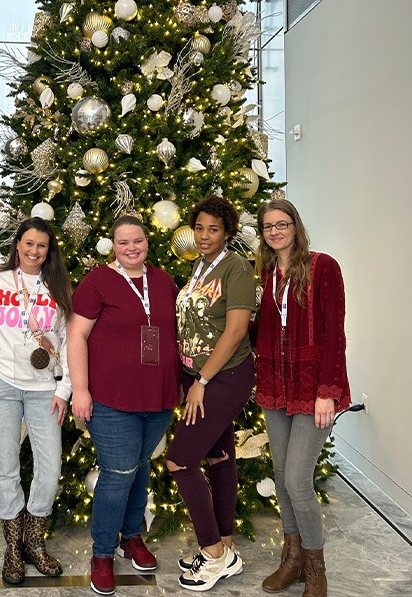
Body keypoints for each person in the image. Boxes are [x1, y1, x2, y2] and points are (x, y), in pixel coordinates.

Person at [68, 215, 180, 595]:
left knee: (141, 467)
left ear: (148, 241)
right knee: (117, 474)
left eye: (138, 241)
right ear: (113, 246)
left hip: (159, 396)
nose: (132, 248)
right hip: (112, 398)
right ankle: (102, 553)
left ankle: (131, 537)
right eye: (123, 243)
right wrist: (79, 390)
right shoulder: (97, 282)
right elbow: (76, 336)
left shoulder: (163, 281)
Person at [255, 199, 351, 597]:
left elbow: (334, 332)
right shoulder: (265, 273)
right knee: (280, 476)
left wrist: (327, 392)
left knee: (297, 479)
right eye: (268, 226)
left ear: (296, 226)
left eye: (283, 223)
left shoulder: (321, 266)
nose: (276, 231)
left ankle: (315, 567)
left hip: (313, 388)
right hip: (275, 385)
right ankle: (291, 558)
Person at [166, 195, 257, 592]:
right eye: (199, 228)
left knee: (180, 461)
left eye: (213, 229)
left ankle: (214, 555)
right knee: (219, 456)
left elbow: (236, 330)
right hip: (195, 376)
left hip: (223, 377)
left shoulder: (236, 268)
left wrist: (201, 382)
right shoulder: (199, 267)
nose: (204, 236)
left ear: (228, 232)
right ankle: (226, 546)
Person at [0, 217, 72, 584]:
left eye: (42, 245)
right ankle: (13, 548)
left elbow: (67, 342)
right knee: (6, 468)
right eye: (29, 243)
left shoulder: (58, 286)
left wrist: (64, 390)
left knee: (49, 469)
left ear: (49, 250)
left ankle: (34, 541)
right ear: (17, 243)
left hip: (43, 389)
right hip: (1, 385)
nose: (34, 251)